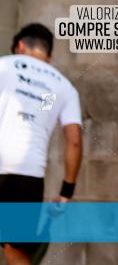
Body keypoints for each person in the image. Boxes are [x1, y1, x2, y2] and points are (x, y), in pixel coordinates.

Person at [0, 24, 83, 265]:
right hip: (27, 175)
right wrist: (65, 193)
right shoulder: (64, 87)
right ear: (49, 55)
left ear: (21, 46)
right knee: (16, 250)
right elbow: (74, 142)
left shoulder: (4, 65)